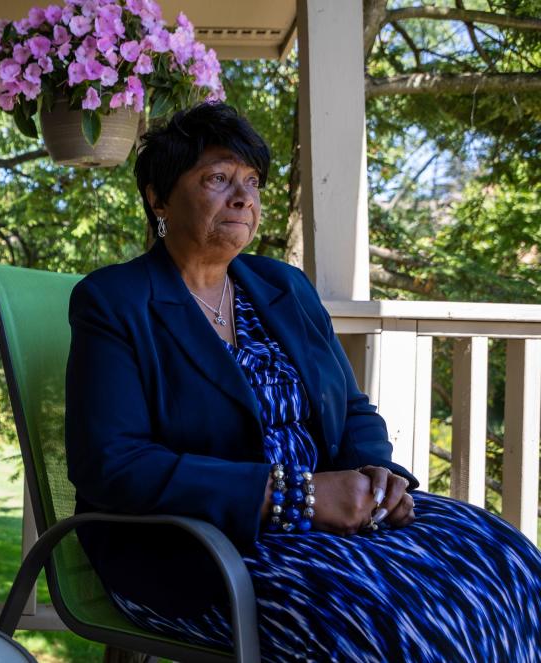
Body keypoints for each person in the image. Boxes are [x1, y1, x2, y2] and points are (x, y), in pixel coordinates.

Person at [64, 101, 541, 662]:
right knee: (387, 624)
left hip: (332, 519)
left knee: (505, 558)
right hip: (202, 547)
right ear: (158, 197)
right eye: (218, 178)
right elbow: (114, 465)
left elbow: (353, 407)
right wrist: (300, 497)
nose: (243, 196)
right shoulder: (115, 301)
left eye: (251, 181)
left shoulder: (282, 286)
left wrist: (377, 476)